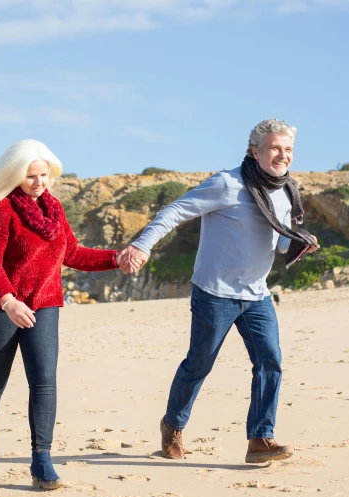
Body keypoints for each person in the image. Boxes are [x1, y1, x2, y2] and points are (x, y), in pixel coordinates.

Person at [118, 118, 318, 464]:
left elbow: (280, 241)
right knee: (199, 364)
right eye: (274, 148)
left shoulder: (287, 191)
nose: (282, 156)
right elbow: (175, 211)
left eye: (288, 150)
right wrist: (142, 245)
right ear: (255, 151)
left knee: (270, 361)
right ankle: (173, 424)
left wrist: (299, 242)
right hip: (215, 293)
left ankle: (260, 439)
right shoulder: (227, 184)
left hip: (256, 294)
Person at [0, 139, 141, 490]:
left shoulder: (54, 210)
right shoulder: (0, 211)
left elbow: (73, 253)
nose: (38, 183)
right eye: (31, 176)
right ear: (15, 176)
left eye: (44, 175)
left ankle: (41, 461)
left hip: (45, 303)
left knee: (44, 381)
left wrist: (115, 258)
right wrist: (8, 301)